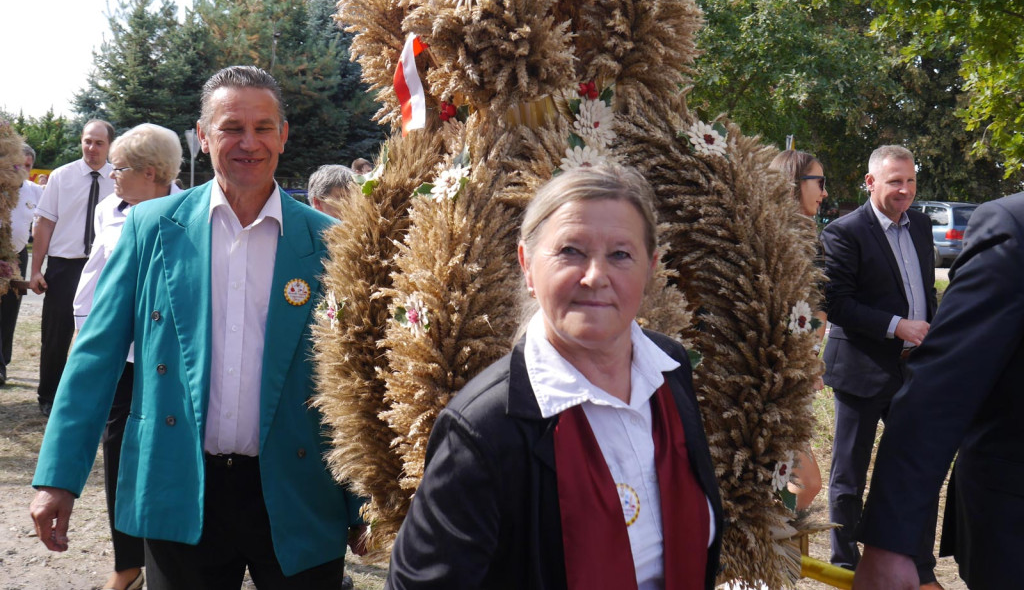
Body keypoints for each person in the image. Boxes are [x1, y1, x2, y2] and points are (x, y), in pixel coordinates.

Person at [30, 66, 365, 589]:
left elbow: (359, 381)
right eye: (231, 127)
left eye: (263, 127)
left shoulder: (334, 243)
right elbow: (94, 361)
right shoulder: (149, 230)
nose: (248, 143)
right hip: (180, 489)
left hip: (300, 490)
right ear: (203, 138)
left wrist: (363, 501)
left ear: (284, 135)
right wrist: (58, 478)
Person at [386, 164, 724, 589]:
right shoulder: (483, 430)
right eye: (571, 251)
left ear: (651, 267)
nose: (596, 276)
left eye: (620, 254)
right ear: (527, 264)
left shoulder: (670, 372)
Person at [852, 192, 1024, 590]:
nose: (905, 189)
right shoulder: (1014, 226)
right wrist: (890, 545)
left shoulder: (922, 230)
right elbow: (942, 388)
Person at [820, 144, 940, 587]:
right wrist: (897, 326)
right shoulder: (843, 233)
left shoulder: (923, 225)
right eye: (895, 182)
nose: (904, 190)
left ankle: (915, 561)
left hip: (914, 370)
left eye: (909, 181)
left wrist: (931, 330)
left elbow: (925, 290)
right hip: (860, 368)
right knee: (849, 474)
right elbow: (837, 303)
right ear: (870, 182)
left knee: (917, 466)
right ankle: (844, 563)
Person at [72, 123, 183, 590]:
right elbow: (97, 276)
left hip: (168, 363)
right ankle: (127, 564)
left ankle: (173, 558)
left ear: (152, 173)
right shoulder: (107, 210)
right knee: (116, 455)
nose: (112, 175)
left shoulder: (187, 214)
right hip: (120, 359)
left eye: (121, 168)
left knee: (169, 460)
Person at [29, 119, 115, 415]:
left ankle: (94, 397)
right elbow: (44, 223)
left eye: (99, 143)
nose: (92, 148)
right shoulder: (61, 177)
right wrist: (36, 269)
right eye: (87, 141)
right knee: (56, 334)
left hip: (105, 266)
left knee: (101, 334)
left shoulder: (120, 179)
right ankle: (49, 396)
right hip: (64, 267)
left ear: (109, 146)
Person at [768, 149, 827, 512]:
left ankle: (774, 562)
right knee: (805, 482)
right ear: (793, 182)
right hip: (774, 380)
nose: (823, 193)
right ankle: (770, 563)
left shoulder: (807, 237)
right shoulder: (775, 240)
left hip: (796, 376)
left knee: (797, 483)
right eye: (818, 183)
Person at [0, 143, 44, 385]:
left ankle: (3, 363)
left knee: (9, 311)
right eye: (19, 165)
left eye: (27, 166)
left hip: (18, 257)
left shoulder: (35, 192)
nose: (23, 171)